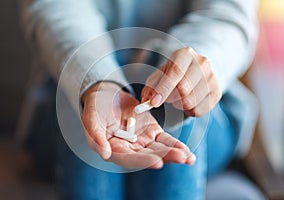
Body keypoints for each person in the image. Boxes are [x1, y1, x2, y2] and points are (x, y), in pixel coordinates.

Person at [19, 0, 259, 199]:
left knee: (176, 102)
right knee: (86, 107)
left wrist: (188, 73)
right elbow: (56, 8)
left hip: (210, 122)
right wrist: (97, 81)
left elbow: (227, 14)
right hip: (58, 117)